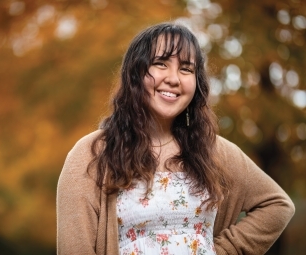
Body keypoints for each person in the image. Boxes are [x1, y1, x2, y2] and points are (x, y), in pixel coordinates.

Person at [57, 22, 295, 255]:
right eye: (160, 64)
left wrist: (222, 250)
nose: (174, 78)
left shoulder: (213, 150)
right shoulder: (93, 153)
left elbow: (277, 205)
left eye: (186, 69)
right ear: (135, 74)